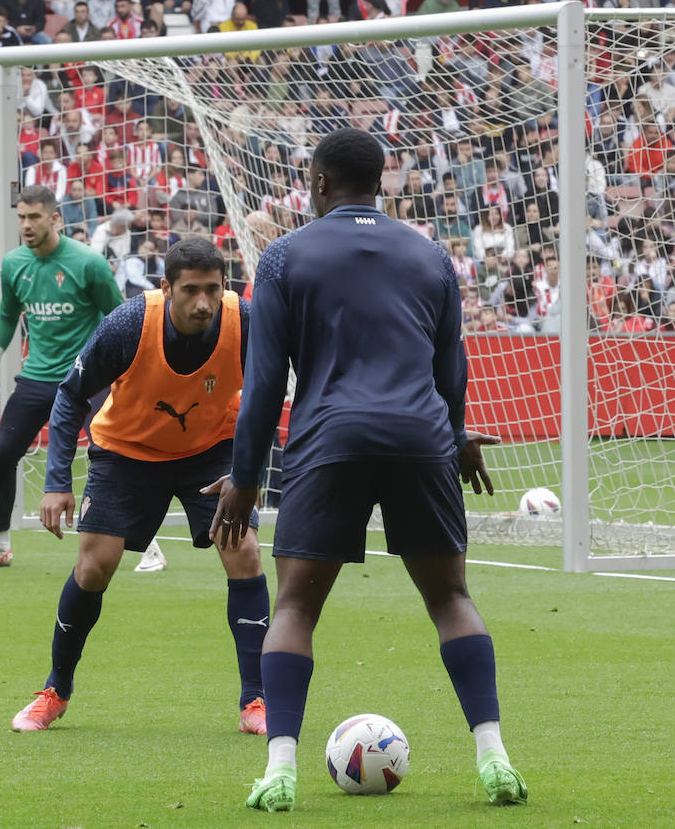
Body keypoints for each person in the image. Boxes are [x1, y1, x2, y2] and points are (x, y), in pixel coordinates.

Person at [209, 129, 523, 811]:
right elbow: (451, 367)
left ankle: (280, 770)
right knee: (450, 599)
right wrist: (460, 436)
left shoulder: (285, 258)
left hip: (331, 440)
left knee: (294, 605)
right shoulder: (431, 256)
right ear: (378, 182)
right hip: (421, 437)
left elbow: (265, 386)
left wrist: (245, 476)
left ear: (319, 183)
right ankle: (494, 758)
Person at [17, 238, 269, 738]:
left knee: (244, 552)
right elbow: (70, 397)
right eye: (191, 290)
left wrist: (248, 473)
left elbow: (268, 395)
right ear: (166, 288)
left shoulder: (247, 321)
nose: (203, 303)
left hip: (210, 449)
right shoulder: (129, 324)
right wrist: (56, 483)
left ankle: (256, 699)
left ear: (226, 287)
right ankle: (55, 690)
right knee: (95, 565)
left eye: (213, 290)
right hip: (126, 450)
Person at [0, 185, 121, 566]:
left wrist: (125, 377)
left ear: (55, 219)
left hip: (88, 376)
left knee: (114, 457)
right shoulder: (14, 263)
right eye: (21, 217)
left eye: (34, 217)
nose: (26, 225)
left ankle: (147, 545)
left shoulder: (88, 263)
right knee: (1, 455)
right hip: (38, 376)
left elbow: (120, 319)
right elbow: (6, 317)